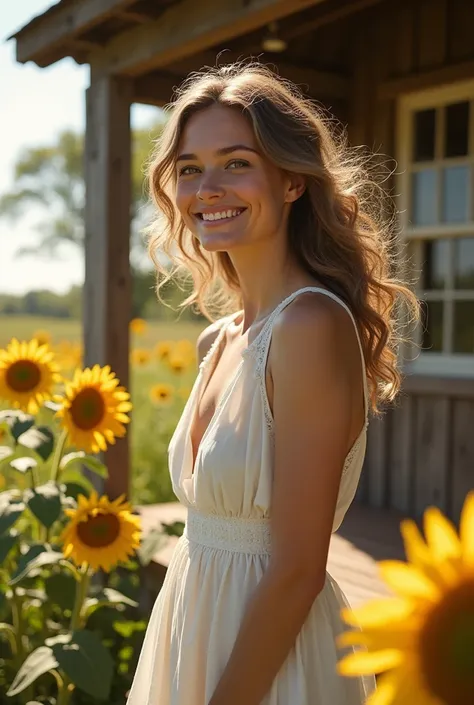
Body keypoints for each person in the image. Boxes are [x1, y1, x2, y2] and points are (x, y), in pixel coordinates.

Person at [126, 62, 416, 705]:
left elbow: (296, 571)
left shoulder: (309, 326)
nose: (208, 187)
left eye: (236, 162)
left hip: (270, 663)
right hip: (193, 627)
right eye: (190, 168)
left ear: (290, 181)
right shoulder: (219, 339)